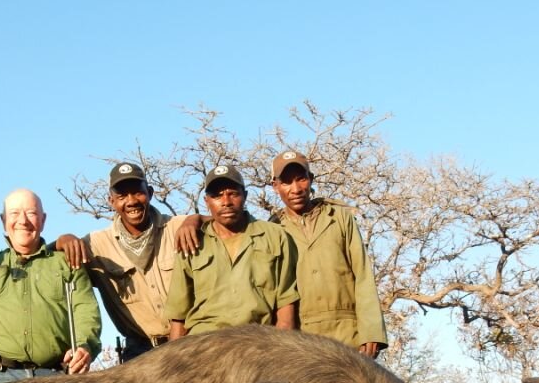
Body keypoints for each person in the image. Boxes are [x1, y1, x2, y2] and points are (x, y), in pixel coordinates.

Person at [57, 162, 198, 362]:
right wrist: (64, 239)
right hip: (140, 351)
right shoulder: (95, 244)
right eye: (122, 196)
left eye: (137, 193)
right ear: (111, 201)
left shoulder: (178, 226)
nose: (131, 201)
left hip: (192, 342)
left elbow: (221, 224)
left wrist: (196, 219)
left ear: (149, 193)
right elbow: (46, 257)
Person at [0, 189, 101, 383]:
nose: (23, 221)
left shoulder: (67, 262)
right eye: (14, 213)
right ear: (3, 220)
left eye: (31, 213)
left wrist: (85, 346)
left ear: (43, 219)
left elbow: (85, 310)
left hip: (54, 378)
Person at [270, 150, 388, 358]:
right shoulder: (273, 229)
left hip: (347, 331)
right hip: (301, 337)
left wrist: (371, 331)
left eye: (301, 179)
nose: (296, 189)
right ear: (275, 186)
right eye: (287, 182)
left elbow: (362, 275)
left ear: (311, 179)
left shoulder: (340, 217)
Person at [165, 165, 298, 338]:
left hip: (257, 343)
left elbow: (286, 306)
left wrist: (281, 352)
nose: (226, 202)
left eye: (233, 193)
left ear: (245, 196)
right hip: (203, 346)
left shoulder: (275, 236)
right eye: (217, 195)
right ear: (207, 201)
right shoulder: (191, 240)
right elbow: (178, 315)